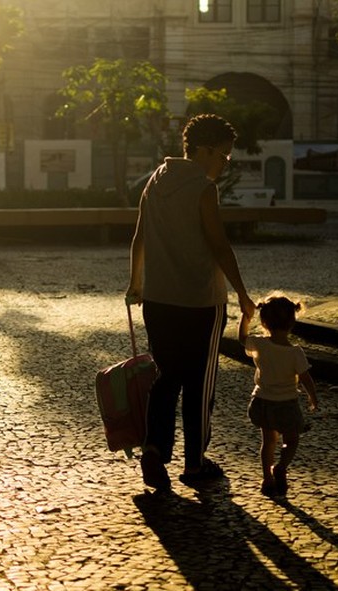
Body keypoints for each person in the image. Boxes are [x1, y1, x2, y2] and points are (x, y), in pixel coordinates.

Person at [126, 113, 256, 491]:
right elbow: (218, 245)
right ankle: (195, 463)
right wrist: (243, 294)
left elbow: (139, 238)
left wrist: (135, 284)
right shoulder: (202, 187)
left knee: (166, 377)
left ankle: (153, 449)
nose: (224, 163)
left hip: (158, 298)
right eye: (224, 155)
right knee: (201, 383)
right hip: (201, 300)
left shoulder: (156, 180)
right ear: (204, 150)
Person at [238, 293, 318, 496]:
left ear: (264, 322)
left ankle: (267, 478)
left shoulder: (260, 345)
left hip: (263, 401)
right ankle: (281, 466)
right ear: (292, 322)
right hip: (287, 405)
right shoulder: (295, 353)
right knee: (291, 440)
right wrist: (312, 397)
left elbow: (241, 338)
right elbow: (306, 378)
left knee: (268, 442)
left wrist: (245, 318)